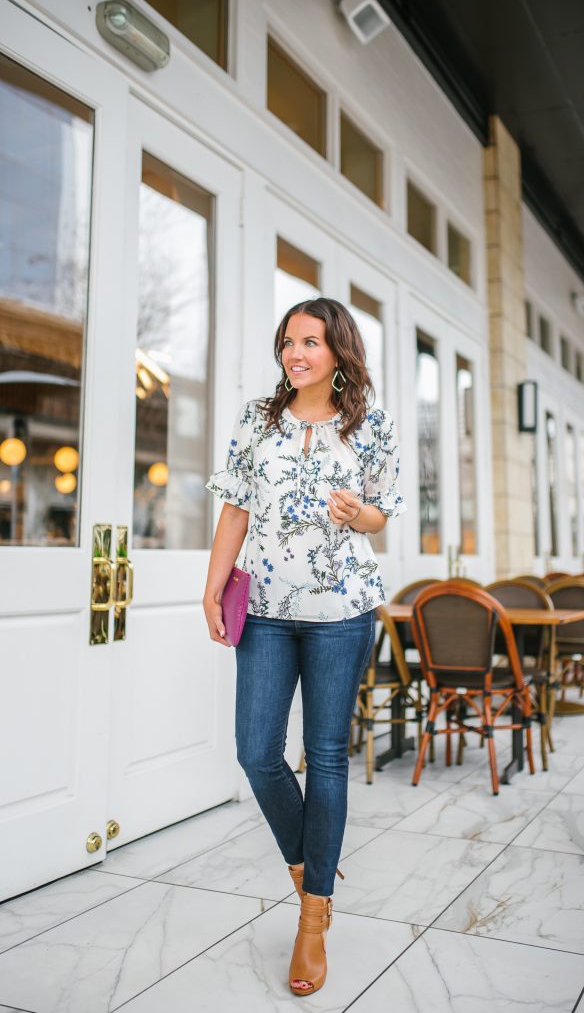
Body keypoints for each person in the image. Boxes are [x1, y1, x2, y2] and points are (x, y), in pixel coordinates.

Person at [203, 297, 406, 996]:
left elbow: (385, 511)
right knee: (257, 752)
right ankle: (310, 866)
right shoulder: (258, 418)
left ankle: (313, 917)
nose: (295, 352)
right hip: (263, 607)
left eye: (310, 342)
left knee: (324, 758)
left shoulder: (370, 424)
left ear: (337, 352)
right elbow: (234, 506)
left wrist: (360, 513)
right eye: (288, 340)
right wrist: (211, 588)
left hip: (342, 611)